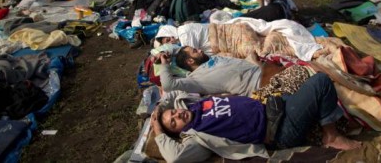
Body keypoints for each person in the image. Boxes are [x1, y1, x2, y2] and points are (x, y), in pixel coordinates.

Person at [151, 73, 361, 162]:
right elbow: (174, 158)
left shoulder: (192, 106)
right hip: (280, 129)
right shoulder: (197, 136)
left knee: (298, 72)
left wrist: (161, 108)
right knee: (321, 82)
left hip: (275, 106)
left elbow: (174, 95)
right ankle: (331, 136)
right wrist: (158, 130)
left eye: (174, 113)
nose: (177, 114)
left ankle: (324, 118)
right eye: (174, 121)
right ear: (178, 131)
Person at [158, 47, 263, 96]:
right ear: (190, 61)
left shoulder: (211, 59)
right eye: (195, 51)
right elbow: (168, 85)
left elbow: (177, 48)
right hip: (259, 84)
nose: (200, 50)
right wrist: (164, 64)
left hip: (262, 70)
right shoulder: (196, 80)